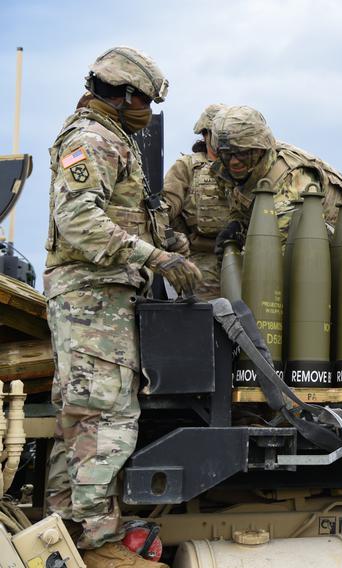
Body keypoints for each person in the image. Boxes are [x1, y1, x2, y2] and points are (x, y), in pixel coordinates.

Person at [44, 46, 200, 567]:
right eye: (147, 102)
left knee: (81, 418)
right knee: (105, 419)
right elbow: (80, 222)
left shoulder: (112, 139)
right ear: (127, 95)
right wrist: (152, 256)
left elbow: (119, 216)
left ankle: (67, 529)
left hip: (101, 298)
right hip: (93, 299)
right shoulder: (91, 139)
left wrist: (168, 242)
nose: (149, 112)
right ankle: (94, 541)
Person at [210, 105, 342, 250]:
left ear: (259, 149)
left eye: (242, 153)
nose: (234, 161)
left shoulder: (291, 181)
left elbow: (282, 249)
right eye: (227, 154)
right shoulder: (226, 170)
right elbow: (239, 202)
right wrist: (237, 225)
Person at [162, 103, 228, 300]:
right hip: (200, 258)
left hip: (244, 258)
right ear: (205, 134)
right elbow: (166, 207)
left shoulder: (246, 166)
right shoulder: (187, 166)